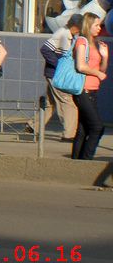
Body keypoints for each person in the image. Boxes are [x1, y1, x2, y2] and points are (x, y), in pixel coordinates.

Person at [70, 11, 109, 160]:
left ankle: (76, 162)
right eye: (96, 25)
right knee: (97, 127)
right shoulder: (82, 41)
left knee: (83, 129)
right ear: (88, 25)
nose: (99, 28)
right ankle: (86, 160)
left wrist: (105, 56)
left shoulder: (96, 44)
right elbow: (80, 66)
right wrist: (98, 74)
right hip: (82, 90)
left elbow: (102, 70)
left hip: (92, 90)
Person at [41, 13, 81, 141]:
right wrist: (59, 66)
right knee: (68, 102)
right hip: (56, 75)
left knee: (50, 104)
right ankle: (69, 134)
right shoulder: (62, 33)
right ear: (76, 26)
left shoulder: (71, 36)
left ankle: (32, 127)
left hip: (55, 74)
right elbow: (45, 49)